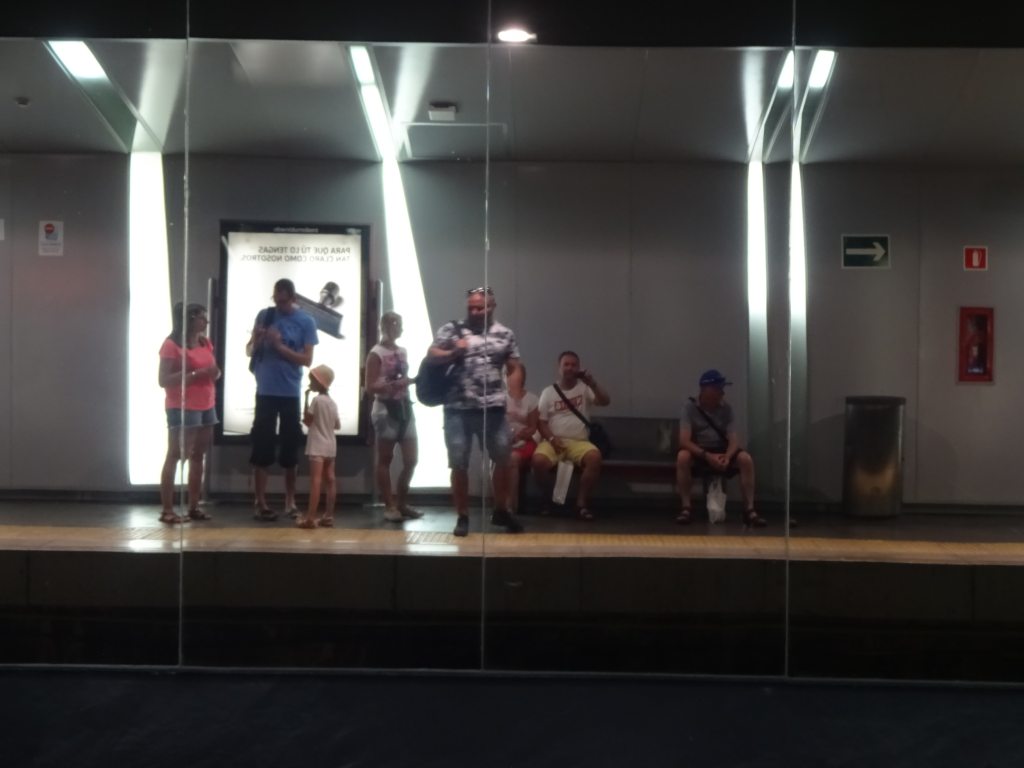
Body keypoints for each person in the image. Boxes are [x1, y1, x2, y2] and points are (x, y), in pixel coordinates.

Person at [428, 287, 524, 537]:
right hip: (457, 408)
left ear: (492, 307)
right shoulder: (452, 329)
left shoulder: (505, 334)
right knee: (458, 463)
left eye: (480, 307)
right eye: (470, 307)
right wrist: (453, 351)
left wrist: (514, 396)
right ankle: (462, 516)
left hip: (493, 408)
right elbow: (432, 354)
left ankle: (501, 509)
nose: (474, 311)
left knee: (503, 459)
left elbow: (514, 366)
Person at [246, 278, 319, 521]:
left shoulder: (306, 321)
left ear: (293, 299)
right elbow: (249, 351)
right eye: (276, 301)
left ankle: (290, 501)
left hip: (290, 392)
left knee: (290, 448)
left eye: (284, 302)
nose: (280, 306)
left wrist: (279, 346)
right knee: (262, 446)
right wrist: (258, 339)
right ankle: (260, 502)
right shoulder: (265, 315)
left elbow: (307, 360)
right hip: (265, 391)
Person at [675, 369, 766, 527]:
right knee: (682, 457)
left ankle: (750, 509)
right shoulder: (689, 408)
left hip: (722, 450)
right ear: (706, 390)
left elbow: (734, 440)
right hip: (700, 450)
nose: (722, 392)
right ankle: (686, 508)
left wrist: (727, 456)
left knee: (745, 459)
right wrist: (707, 456)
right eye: (718, 388)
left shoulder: (726, 409)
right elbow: (684, 441)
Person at [158, 303, 220, 524]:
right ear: (190, 319)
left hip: (206, 404)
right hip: (182, 405)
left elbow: (212, 369)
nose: (206, 322)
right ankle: (167, 509)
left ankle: (194, 506)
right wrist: (195, 374)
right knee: (176, 454)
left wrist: (214, 373)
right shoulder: (171, 345)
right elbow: (163, 380)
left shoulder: (205, 342)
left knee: (198, 455)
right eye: (202, 318)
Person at [532, 351, 611, 521]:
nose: (570, 368)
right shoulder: (548, 392)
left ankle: (581, 504)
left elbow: (605, 401)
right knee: (538, 461)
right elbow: (541, 422)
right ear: (559, 368)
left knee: (594, 457)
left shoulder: (585, 389)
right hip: (553, 440)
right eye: (566, 364)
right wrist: (552, 439)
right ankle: (547, 499)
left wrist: (592, 383)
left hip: (579, 441)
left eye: (574, 365)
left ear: (579, 368)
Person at [365, 311, 422, 523]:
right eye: (397, 324)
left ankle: (402, 502)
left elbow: (402, 377)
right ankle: (389, 505)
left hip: (404, 407)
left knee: (411, 459)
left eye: (400, 324)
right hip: (385, 410)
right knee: (385, 458)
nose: (400, 328)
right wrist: (390, 386)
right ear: (387, 326)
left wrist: (408, 382)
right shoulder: (375, 354)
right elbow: (370, 387)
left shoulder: (402, 351)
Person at [297, 365, 340, 529]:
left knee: (315, 481)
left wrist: (306, 399)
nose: (310, 383)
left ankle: (310, 518)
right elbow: (337, 425)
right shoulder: (332, 403)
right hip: (331, 445)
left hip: (317, 445)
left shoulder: (316, 400)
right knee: (330, 480)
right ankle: (328, 516)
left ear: (320, 382)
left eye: (312, 380)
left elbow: (307, 421)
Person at [501, 364, 539, 514]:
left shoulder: (532, 399)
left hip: (525, 441)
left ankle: (511, 504)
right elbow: (495, 424)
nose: (512, 378)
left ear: (522, 378)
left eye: (515, 374)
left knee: (513, 459)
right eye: (508, 374)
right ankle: (499, 503)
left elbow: (533, 427)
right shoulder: (500, 398)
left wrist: (519, 435)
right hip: (504, 440)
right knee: (497, 459)